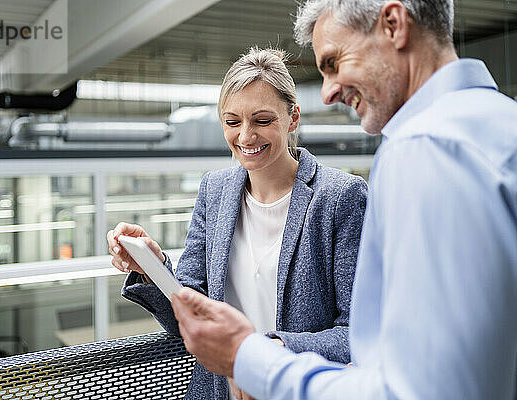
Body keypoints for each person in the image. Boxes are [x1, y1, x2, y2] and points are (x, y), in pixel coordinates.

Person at [170, 1, 517, 399]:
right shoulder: (501, 123)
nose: (330, 91)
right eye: (232, 121)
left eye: (334, 62)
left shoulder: (425, 149)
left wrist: (253, 360)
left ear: (393, 25)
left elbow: (414, 390)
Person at [107, 47, 368, 400]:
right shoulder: (214, 191)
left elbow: (357, 333)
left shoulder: (341, 197)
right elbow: (187, 314)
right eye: (232, 122)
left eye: (262, 121)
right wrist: (152, 269)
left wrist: (262, 351)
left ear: (293, 118)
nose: (245, 137)